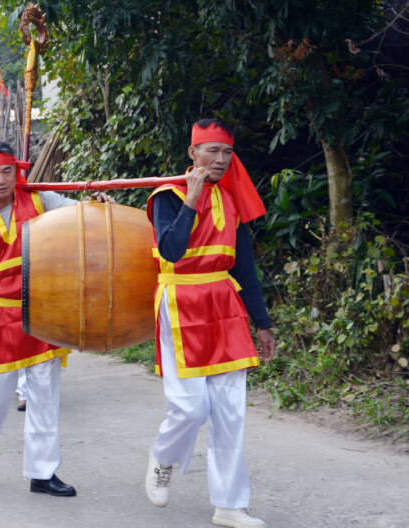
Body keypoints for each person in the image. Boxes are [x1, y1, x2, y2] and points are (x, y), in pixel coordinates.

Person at [0, 140, 112, 496]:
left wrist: (95, 203)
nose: (2, 180)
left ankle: (42, 472)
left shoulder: (39, 199)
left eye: (7, 172)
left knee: (44, 392)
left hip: (42, 306)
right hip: (0, 310)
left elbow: (77, 212)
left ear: (16, 171)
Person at [144, 119, 276, 528]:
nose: (219, 160)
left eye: (226, 152)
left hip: (224, 301)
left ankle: (230, 504)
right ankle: (163, 457)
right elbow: (171, 249)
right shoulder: (167, 196)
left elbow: (246, 268)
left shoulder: (233, 200)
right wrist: (193, 199)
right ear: (193, 155)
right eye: (211, 151)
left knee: (230, 412)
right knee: (189, 407)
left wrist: (263, 322)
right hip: (180, 300)